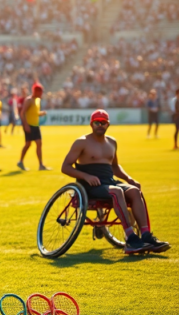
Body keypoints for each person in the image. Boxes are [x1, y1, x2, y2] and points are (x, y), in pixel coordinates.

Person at [61, 109, 170, 254]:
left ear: (108, 124)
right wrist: (86, 176)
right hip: (90, 186)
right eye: (97, 122)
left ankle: (146, 236)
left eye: (103, 122)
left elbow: (115, 167)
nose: (100, 125)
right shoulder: (81, 142)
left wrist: (129, 179)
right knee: (117, 191)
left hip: (109, 181)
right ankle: (130, 238)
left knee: (135, 191)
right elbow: (65, 167)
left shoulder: (112, 142)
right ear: (91, 124)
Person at [18, 83, 51, 171]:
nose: (41, 94)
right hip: (29, 126)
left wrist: (41, 113)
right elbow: (22, 113)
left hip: (36, 125)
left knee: (39, 144)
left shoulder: (38, 100)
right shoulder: (29, 100)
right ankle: (20, 161)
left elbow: (34, 113)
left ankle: (41, 165)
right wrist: (25, 125)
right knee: (28, 144)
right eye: (40, 92)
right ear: (35, 91)